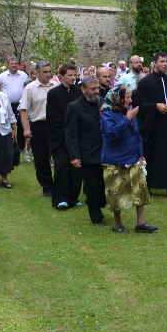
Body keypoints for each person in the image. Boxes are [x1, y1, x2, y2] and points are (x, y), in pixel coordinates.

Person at [99, 85, 156, 233]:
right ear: (118, 98)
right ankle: (117, 224)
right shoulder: (106, 114)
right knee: (116, 192)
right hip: (114, 159)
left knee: (140, 189)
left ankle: (141, 223)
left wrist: (140, 153)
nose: (130, 100)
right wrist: (127, 119)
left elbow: (136, 134)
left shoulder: (128, 111)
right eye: (128, 97)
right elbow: (112, 134)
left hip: (133, 157)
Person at [134, 52, 167, 197]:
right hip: (153, 126)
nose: (165, 64)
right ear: (154, 63)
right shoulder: (146, 82)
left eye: (166, 61)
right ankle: (148, 185)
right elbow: (140, 104)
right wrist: (155, 106)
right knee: (152, 156)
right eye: (162, 61)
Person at [66, 74, 107, 226]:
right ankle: (96, 216)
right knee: (92, 185)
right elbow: (71, 134)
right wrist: (74, 156)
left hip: (104, 151)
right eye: (93, 89)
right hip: (87, 153)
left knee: (103, 184)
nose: (96, 91)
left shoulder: (102, 103)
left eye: (97, 88)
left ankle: (99, 204)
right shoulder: (74, 107)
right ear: (83, 89)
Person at [46, 64, 83, 210]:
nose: (73, 78)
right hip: (59, 137)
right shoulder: (53, 93)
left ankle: (73, 197)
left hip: (76, 137)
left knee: (76, 169)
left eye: (75, 75)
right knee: (62, 167)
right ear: (61, 76)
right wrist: (67, 128)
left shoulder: (79, 92)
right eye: (70, 75)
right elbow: (52, 116)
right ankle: (61, 198)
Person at [18, 61, 56, 196]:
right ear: (37, 73)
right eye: (45, 72)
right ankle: (47, 186)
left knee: (59, 155)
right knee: (41, 158)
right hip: (38, 125)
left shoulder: (55, 86)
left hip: (55, 125)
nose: (48, 74)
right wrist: (26, 128)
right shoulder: (30, 88)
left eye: (49, 71)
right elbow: (24, 110)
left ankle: (59, 183)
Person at [0, 56, 29, 157]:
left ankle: (20, 145)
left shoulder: (23, 75)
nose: (14, 65)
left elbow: (27, 87)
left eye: (15, 63)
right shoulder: (2, 76)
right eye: (12, 63)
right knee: (8, 123)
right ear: (8, 65)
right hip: (8, 104)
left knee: (20, 124)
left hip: (21, 103)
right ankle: (9, 143)